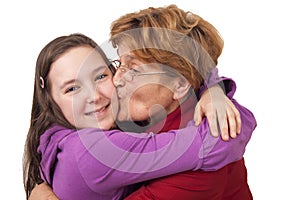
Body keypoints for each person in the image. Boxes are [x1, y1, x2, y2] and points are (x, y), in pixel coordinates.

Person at [23, 33, 255, 200]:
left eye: (100, 77)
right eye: (72, 89)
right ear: (50, 101)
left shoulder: (61, 138)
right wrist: (222, 106)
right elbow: (217, 142)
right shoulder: (92, 151)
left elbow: (187, 67)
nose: (94, 96)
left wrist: (211, 90)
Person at [109, 4, 255, 199]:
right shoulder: (140, 116)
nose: (116, 79)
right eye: (119, 64)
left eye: (134, 69)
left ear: (179, 86)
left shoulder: (203, 167)